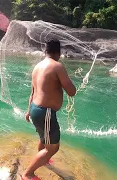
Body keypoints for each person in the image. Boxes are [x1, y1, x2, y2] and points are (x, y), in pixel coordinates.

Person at [22, 38, 76, 180]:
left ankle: (42, 160)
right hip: (44, 112)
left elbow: (32, 93)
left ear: (46, 51)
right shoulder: (57, 66)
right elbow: (72, 91)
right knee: (52, 148)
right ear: (58, 52)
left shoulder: (37, 67)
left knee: (44, 138)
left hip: (36, 108)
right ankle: (28, 174)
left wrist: (28, 111)